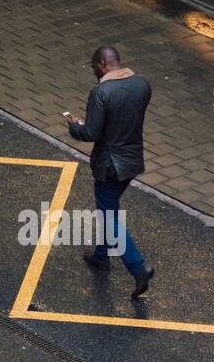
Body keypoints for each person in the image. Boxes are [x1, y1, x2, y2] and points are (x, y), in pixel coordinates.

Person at [66, 45, 155, 298]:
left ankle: (139, 268)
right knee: (110, 208)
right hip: (133, 162)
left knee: (107, 216)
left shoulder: (101, 92)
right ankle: (102, 256)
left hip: (110, 166)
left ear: (103, 64)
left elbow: (92, 132)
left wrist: (75, 127)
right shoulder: (142, 84)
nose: (94, 71)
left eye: (94, 66)